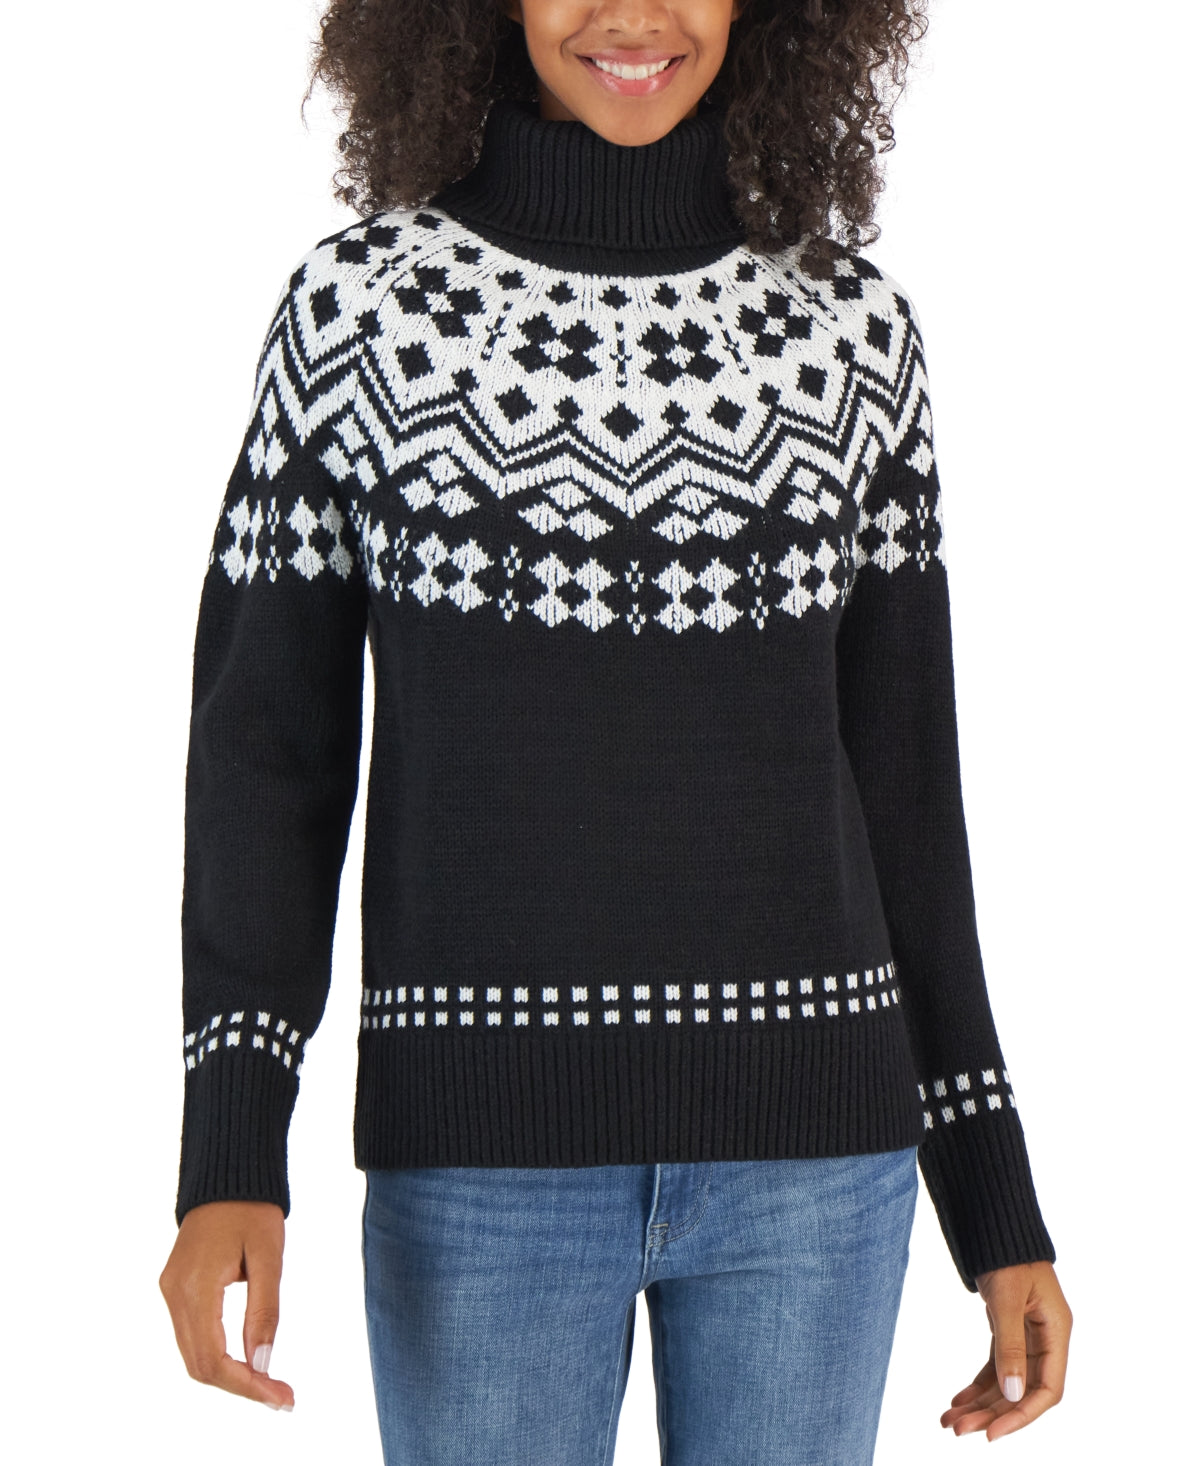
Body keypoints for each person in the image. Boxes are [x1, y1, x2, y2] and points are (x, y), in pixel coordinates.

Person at [158, 2, 1072, 1461]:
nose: (635, 15)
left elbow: (907, 796)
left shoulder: (853, 333)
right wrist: (230, 1143)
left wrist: (994, 1194)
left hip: (816, 1171)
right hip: (481, 1164)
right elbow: (266, 760)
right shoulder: (362, 318)